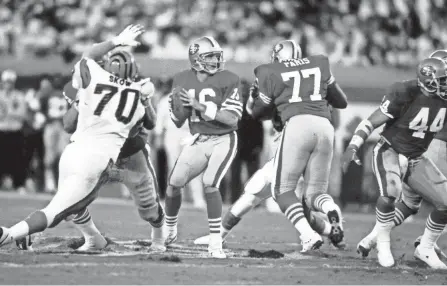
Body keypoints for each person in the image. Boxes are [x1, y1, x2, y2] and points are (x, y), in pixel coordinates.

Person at [0, 24, 152, 248]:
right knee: (55, 212)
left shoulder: (94, 78)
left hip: (72, 152)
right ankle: (10, 234)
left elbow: (88, 55)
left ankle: (94, 239)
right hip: (96, 160)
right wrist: (146, 97)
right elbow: (147, 125)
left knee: (71, 206)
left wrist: (118, 40)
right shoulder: (138, 99)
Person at [342, 57, 447, 269]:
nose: (446, 84)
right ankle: (382, 243)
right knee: (391, 193)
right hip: (390, 150)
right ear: (428, 80)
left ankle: (425, 248)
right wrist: (353, 145)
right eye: (442, 80)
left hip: (416, 158)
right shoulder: (404, 92)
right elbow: (372, 121)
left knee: (445, 203)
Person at [193, 109, 346, 251]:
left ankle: (309, 236)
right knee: (305, 211)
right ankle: (332, 229)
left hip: (285, 161)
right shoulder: (316, 110)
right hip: (308, 162)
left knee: (253, 194)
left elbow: (259, 110)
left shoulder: (287, 100)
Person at [248, 39, 348, 251]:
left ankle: (308, 235)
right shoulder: (319, 63)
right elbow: (341, 102)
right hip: (324, 126)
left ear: (277, 57)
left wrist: (254, 99)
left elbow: (258, 113)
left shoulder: (269, 71)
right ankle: (331, 209)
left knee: (281, 190)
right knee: (313, 196)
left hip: (297, 126)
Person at [57, 77, 166, 252]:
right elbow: (68, 125)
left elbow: (151, 123)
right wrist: (78, 103)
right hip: (96, 155)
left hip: (129, 154)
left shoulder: (131, 88)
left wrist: (146, 102)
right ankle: (93, 238)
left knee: (149, 207)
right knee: (69, 201)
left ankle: (159, 238)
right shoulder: (84, 88)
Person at [166, 36, 243, 258]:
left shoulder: (229, 79)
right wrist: (176, 107)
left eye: (216, 56)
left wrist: (200, 107)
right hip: (198, 138)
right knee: (174, 184)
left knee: (210, 184)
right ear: (196, 58)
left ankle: (215, 242)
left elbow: (232, 120)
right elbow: (178, 121)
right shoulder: (181, 79)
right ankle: (170, 229)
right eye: (210, 56)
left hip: (223, 138)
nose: (216, 60)